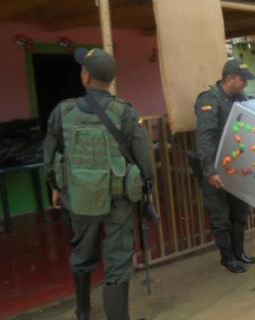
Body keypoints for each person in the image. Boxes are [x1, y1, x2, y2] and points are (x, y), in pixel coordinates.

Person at [44, 48, 153, 320]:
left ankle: (83, 312)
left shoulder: (62, 111)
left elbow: (50, 155)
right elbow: (144, 159)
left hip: (79, 198)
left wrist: (56, 188)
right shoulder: (125, 112)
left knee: (82, 253)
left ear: (86, 78)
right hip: (119, 201)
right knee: (118, 260)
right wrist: (147, 188)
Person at [193, 59, 255, 273]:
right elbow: (205, 139)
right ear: (229, 78)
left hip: (236, 168)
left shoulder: (240, 98)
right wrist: (210, 171)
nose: (245, 85)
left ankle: (239, 253)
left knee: (239, 213)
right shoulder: (208, 100)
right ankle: (227, 258)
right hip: (215, 169)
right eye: (243, 80)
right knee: (221, 217)